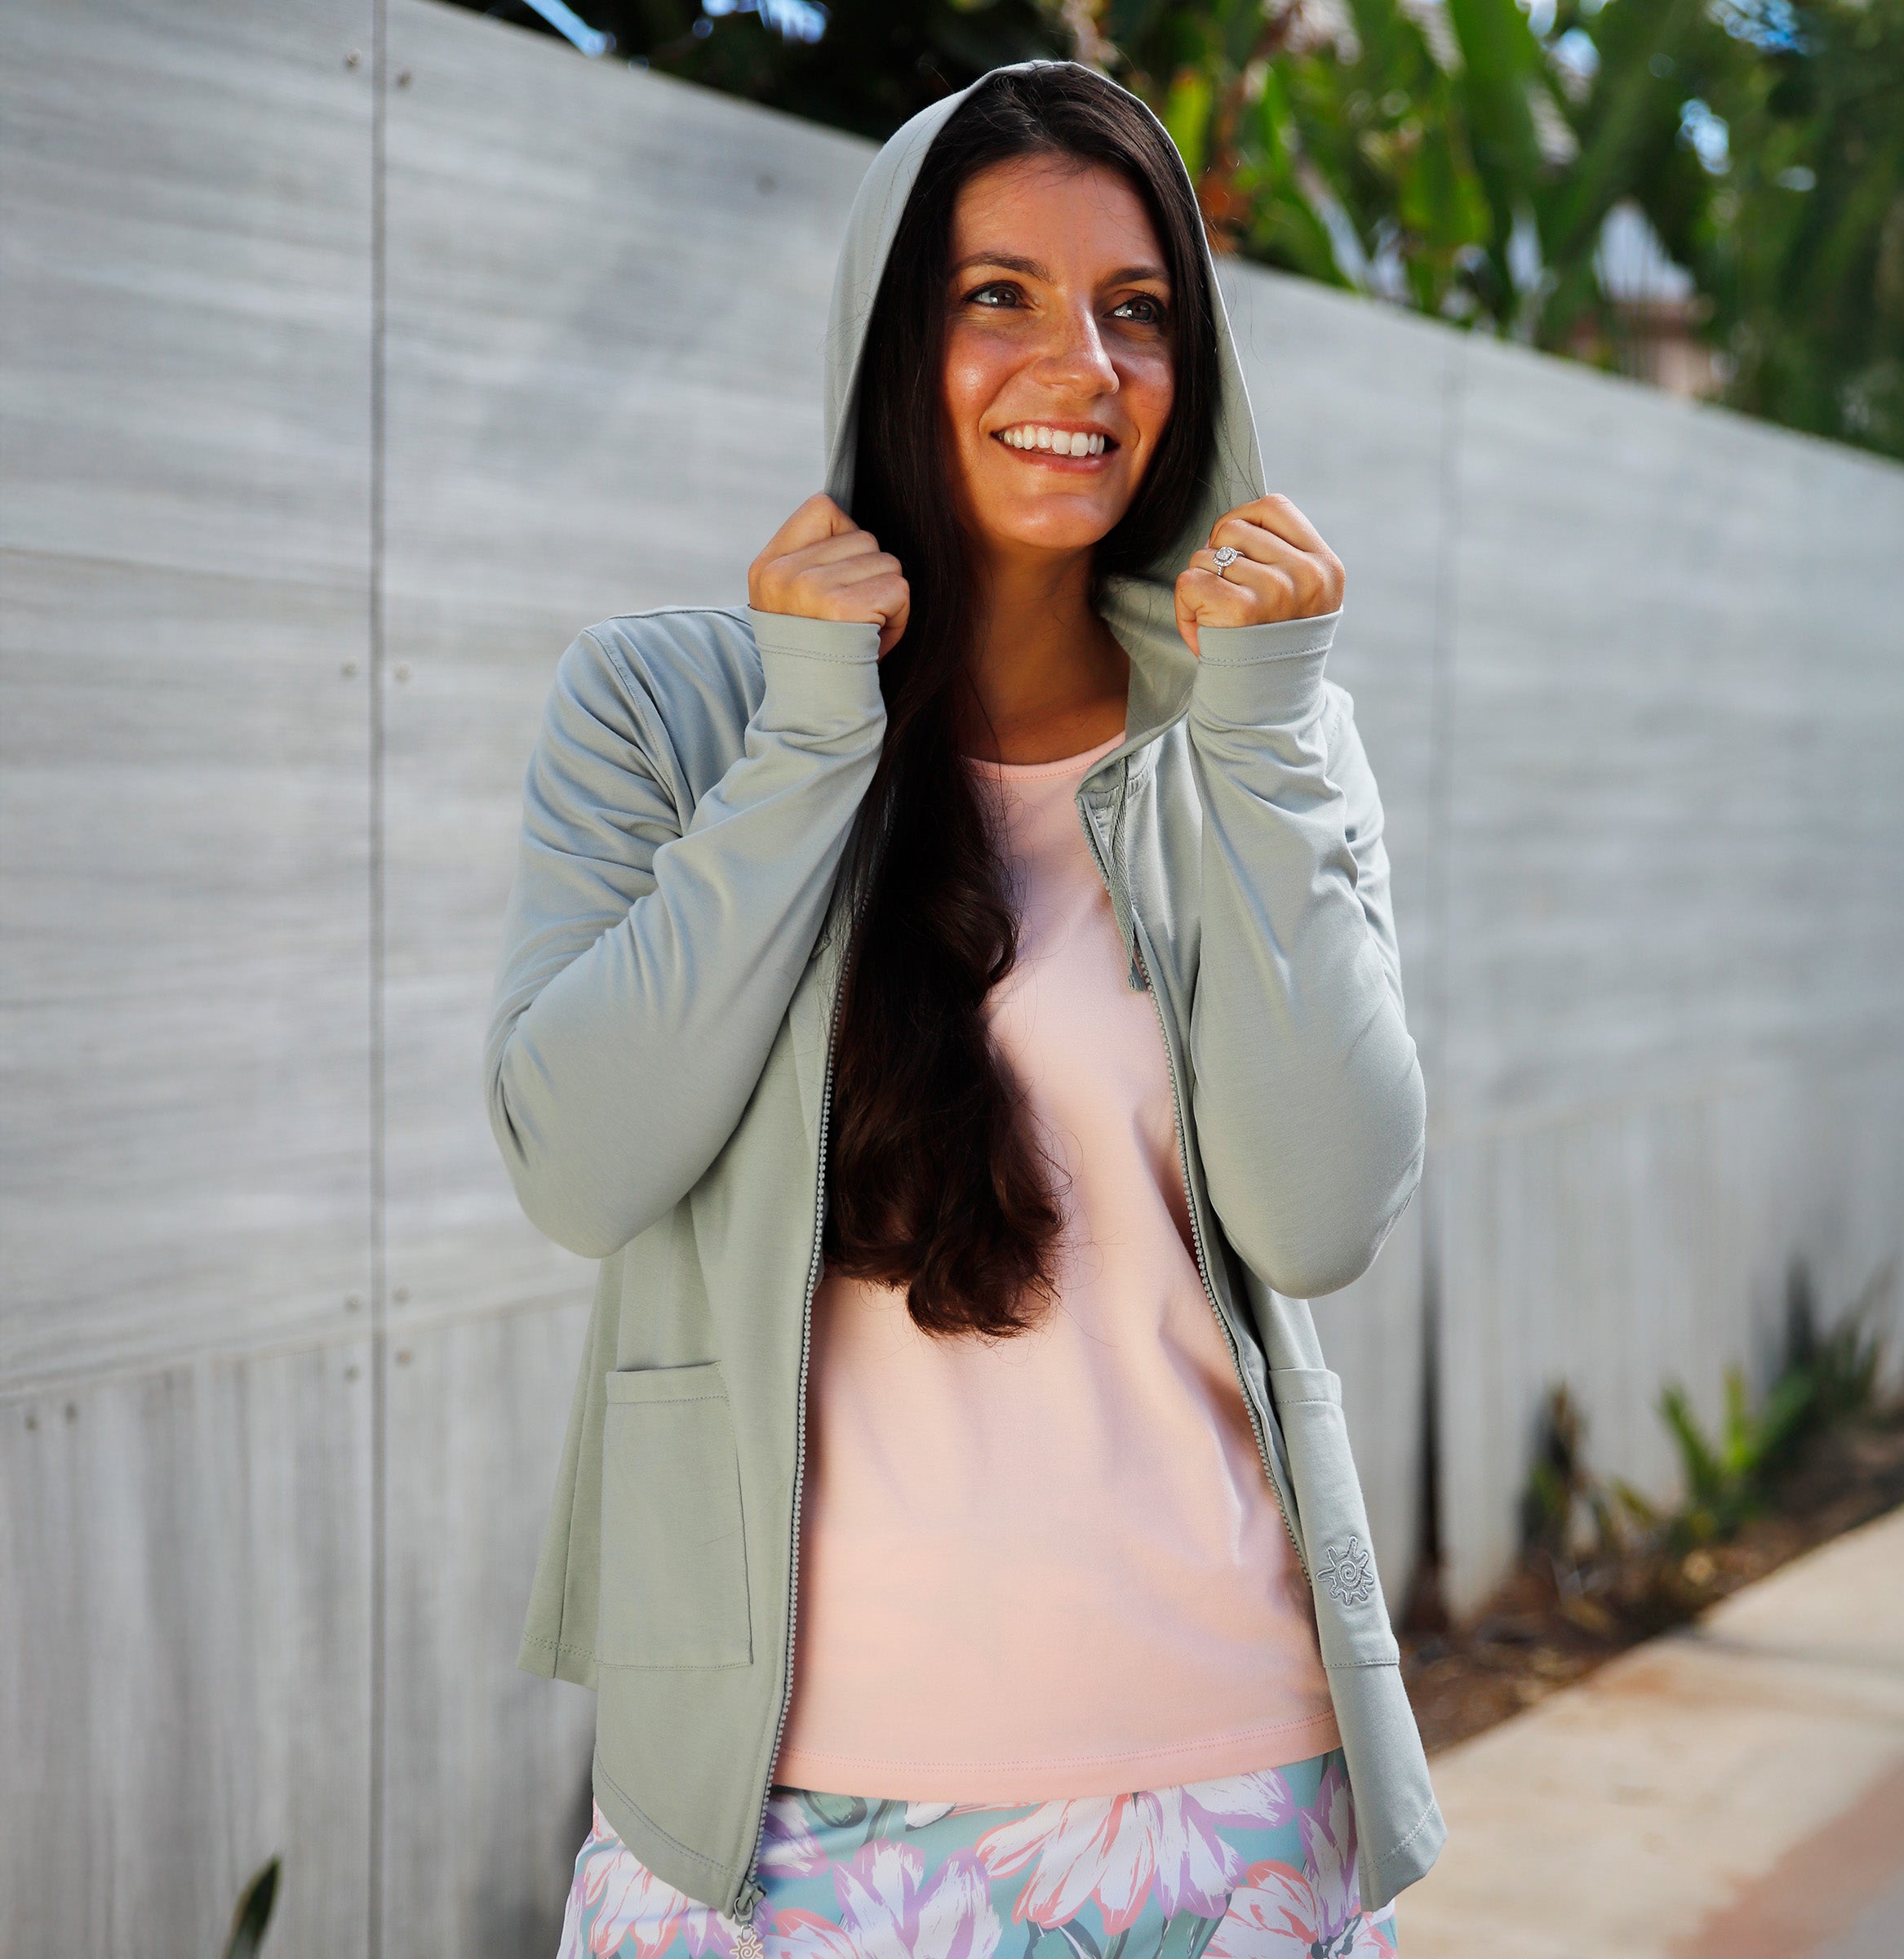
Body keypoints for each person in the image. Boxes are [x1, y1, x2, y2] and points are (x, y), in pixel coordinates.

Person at [484, 59, 1441, 1959]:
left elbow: (1323, 1212)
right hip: (764, 1820)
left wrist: (1260, 737)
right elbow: (580, 1164)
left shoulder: (1269, 731)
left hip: (1219, 1800)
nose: (1080, 362)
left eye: (1138, 308)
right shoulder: (663, 711)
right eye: (998, 293)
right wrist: (807, 738)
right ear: (888, 331)